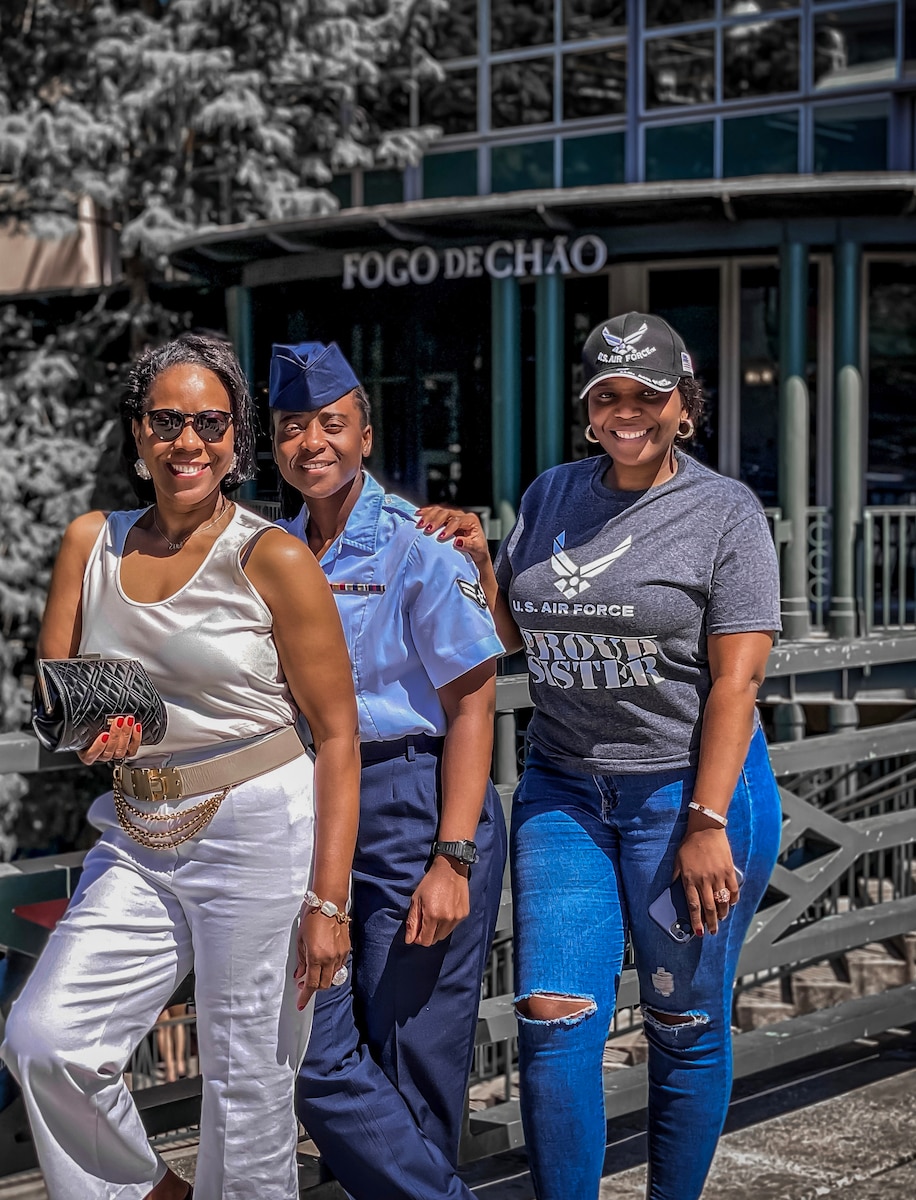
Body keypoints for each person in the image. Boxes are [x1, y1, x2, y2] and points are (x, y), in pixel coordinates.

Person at [420, 312, 783, 1200]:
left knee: (683, 1018)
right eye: (609, 397)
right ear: (589, 409)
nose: (630, 415)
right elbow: (511, 633)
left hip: (689, 794)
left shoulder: (724, 511)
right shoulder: (551, 495)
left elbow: (736, 686)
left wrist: (705, 824)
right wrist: (477, 559)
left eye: (649, 397)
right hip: (564, 789)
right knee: (552, 1017)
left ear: (682, 407)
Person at [1, 334, 360, 1200]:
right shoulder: (92, 542)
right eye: (167, 421)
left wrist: (328, 902)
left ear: (236, 440)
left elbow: (340, 736)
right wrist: (91, 739)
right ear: (138, 433)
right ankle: (156, 1193)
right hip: (135, 829)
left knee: (249, 1085)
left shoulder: (271, 556)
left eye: (209, 422)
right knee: (47, 1039)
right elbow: (60, 697)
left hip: (260, 826)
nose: (186, 441)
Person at [268, 340, 508, 1200]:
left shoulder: (420, 545)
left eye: (332, 423)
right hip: (313, 808)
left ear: (365, 434)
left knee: (408, 1055)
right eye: (293, 427)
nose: (313, 443)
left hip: (417, 799)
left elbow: (474, 705)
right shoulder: (273, 553)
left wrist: (453, 858)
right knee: (322, 1045)